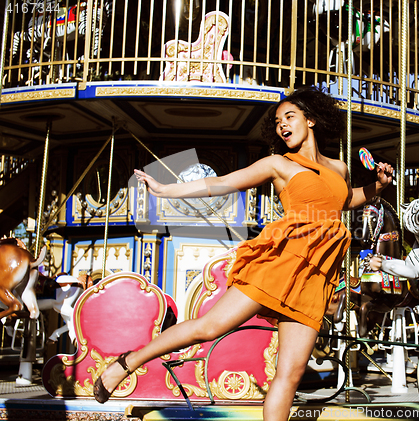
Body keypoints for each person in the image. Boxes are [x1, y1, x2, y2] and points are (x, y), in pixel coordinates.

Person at [93, 86, 394, 420]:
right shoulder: (279, 164)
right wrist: (167, 189)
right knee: (208, 327)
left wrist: (378, 186)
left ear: (311, 120)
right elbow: (220, 183)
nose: (282, 125)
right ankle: (128, 362)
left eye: (289, 117)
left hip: (315, 274)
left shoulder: (339, 168)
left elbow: (344, 200)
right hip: (282, 262)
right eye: (278, 121)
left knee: (290, 374)